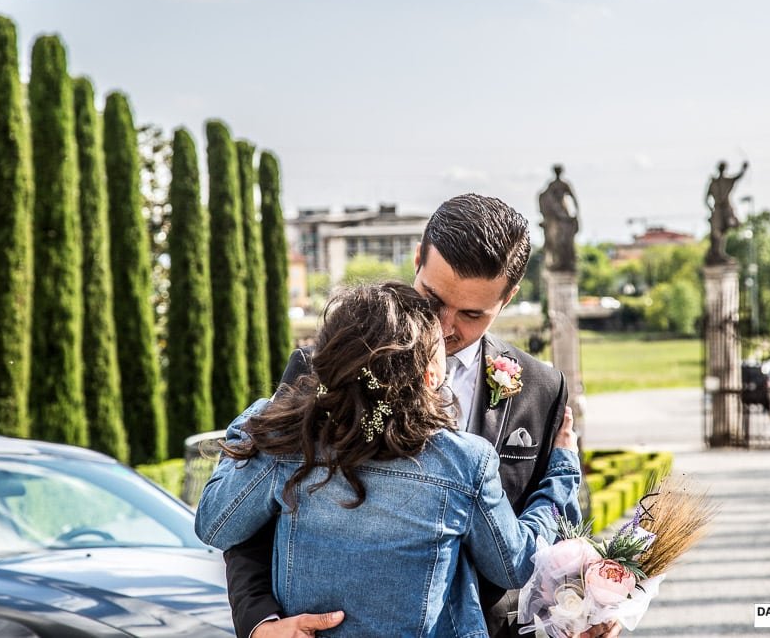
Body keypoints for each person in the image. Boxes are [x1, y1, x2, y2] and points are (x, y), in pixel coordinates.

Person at [223, 194, 616, 638]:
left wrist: (584, 606)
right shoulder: (323, 368)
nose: (444, 326)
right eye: (432, 297)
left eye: (472, 314)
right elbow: (254, 514)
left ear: (507, 298)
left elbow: (561, 528)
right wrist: (261, 623)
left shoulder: (543, 387)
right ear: (417, 259)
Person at [196, 282, 582, 637]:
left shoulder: (289, 439)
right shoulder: (463, 462)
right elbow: (514, 564)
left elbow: (216, 526)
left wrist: (262, 418)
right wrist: (562, 470)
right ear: (431, 376)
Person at [704, 160, 748, 265]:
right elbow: (706, 198)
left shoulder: (727, 181)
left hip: (726, 209)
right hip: (718, 209)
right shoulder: (713, 183)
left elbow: (738, 177)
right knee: (716, 233)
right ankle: (716, 253)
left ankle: (719, 253)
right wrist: (711, 209)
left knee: (728, 227)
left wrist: (743, 169)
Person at [539, 164, 580, 272]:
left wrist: (576, 213)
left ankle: (567, 261)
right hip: (556, 215)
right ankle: (558, 261)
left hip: (564, 213)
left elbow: (573, 197)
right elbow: (542, 197)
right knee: (555, 240)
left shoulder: (563, 184)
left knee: (566, 239)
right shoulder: (552, 185)